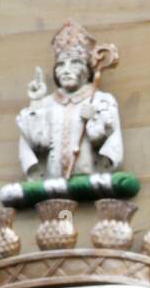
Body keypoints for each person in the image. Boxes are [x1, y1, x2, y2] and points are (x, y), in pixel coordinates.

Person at [16, 20, 123, 180]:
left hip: (87, 173)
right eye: (61, 65)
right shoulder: (47, 104)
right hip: (54, 177)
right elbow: (39, 142)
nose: (66, 70)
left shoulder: (100, 100)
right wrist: (36, 102)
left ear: (86, 71)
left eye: (74, 63)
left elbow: (101, 136)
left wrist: (93, 118)